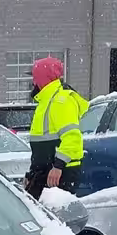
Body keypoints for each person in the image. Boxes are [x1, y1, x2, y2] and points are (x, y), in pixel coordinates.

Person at [24, 57, 89, 200]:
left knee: (53, 211)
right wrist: (32, 174)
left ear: (43, 78)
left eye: (35, 77)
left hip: (60, 172)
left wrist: (58, 166)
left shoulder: (61, 101)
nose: (33, 82)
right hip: (46, 171)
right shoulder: (45, 101)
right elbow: (41, 147)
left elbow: (72, 137)